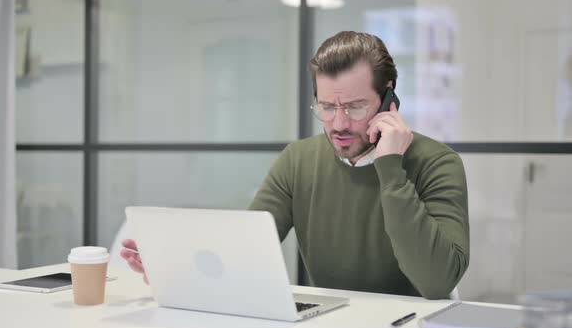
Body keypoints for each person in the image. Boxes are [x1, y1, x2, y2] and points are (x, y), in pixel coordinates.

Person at [121, 31, 469, 299]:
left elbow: (436, 282)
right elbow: (246, 250)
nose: (339, 124)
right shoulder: (299, 159)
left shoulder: (437, 162)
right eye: (327, 107)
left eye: (355, 106)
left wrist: (390, 167)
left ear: (389, 96)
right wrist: (176, 272)